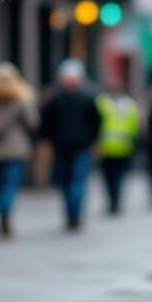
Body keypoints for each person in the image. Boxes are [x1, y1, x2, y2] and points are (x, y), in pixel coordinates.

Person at [39, 58, 100, 230]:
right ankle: (74, 213)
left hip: (62, 145)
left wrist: (47, 140)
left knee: (66, 181)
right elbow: (96, 122)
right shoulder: (87, 97)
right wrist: (93, 140)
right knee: (77, 180)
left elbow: (45, 123)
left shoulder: (54, 98)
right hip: (79, 145)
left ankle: (71, 214)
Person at [0, 62, 38, 237]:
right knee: (10, 185)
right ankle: (6, 211)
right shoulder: (22, 98)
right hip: (16, 148)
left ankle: (1, 213)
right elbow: (33, 122)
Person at [95, 78, 139, 214]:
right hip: (120, 146)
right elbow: (135, 126)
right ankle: (115, 200)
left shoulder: (101, 103)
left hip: (108, 146)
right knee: (117, 177)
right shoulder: (130, 104)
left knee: (110, 177)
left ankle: (114, 201)